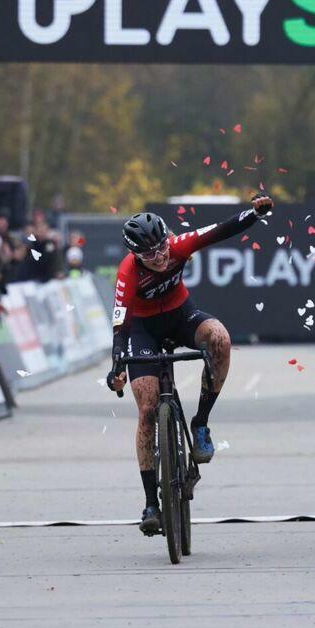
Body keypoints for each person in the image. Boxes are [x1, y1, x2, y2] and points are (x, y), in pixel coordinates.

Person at [104, 195, 274, 537]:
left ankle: (200, 424)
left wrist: (253, 214)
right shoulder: (128, 271)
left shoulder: (178, 246)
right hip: (143, 330)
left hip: (181, 314)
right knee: (148, 410)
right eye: (150, 253)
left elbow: (220, 230)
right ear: (136, 255)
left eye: (162, 246)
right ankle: (151, 503)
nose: (161, 255)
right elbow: (121, 320)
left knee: (220, 339)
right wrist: (117, 363)